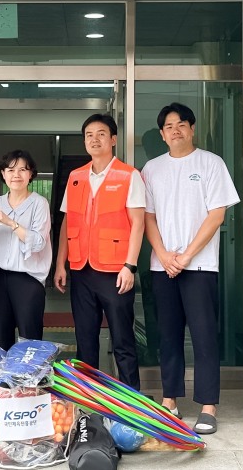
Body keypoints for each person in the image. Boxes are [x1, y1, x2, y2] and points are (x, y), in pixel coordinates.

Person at [141, 102, 239, 435]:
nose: (176, 130)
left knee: (204, 337)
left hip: (200, 267)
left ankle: (208, 406)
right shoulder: (151, 169)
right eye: (169, 126)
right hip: (162, 266)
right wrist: (165, 255)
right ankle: (169, 401)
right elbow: (148, 218)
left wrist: (186, 256)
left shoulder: (211, 163)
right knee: (168, 337)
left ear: (192, 128)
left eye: (182, 124)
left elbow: (217, 215)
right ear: (162, 134)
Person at [54, 114, 145, 390]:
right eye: (89, 135)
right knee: (85, 340)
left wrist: (130, 266)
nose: (94, 139)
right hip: (81, 270)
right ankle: (88, 399)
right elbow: (68, 223)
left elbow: (138, 223)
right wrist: (61, 264)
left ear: (113, 139)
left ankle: (132, 401)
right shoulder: (76, 176)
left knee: (122, 341)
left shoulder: (129, 175)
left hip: (115, 272)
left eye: (101, 133)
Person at [0, 150, 52, 351]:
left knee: (29, 336)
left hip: (28, 279)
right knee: (1, 334)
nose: (17, 175)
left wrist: (11, 223)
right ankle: (4, 382)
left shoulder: (39, 203)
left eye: (23, 169)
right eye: (11, 170)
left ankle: (29, 382)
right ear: (3, 173)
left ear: (31, 174)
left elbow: (39, 242)